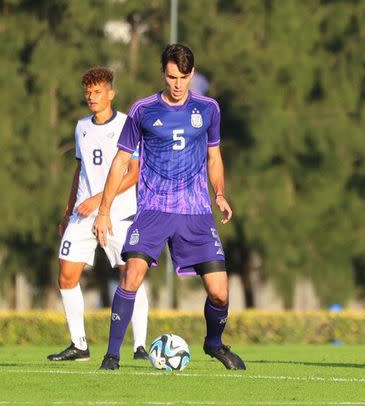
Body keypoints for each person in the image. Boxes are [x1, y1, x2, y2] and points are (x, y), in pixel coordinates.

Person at [92, 44, 245, 371]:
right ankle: (111, 356)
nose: (177, 85)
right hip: (154, 210)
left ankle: (214, 343)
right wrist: (104, 210)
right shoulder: (142, 110)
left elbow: (214, 156)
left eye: (184, 77)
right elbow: (121, 161)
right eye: (172, 77)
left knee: (220, 293)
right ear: (163, 73)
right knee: (132, 274)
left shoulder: (208, 109)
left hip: (196, 211)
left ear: (192, 74)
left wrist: (219, 193)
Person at [48, 67, 149, 362]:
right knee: (66, 275)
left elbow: (133, 173)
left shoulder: (127, 125)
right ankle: (79, 345)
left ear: (111, 94)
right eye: (88, 92)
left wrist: (99, 200)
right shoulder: (81, 127)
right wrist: (69, 210)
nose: (92, 97)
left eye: (98, 92)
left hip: (118, 213)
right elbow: (80, 170)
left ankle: (139, 346)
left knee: (130, 275)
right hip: (83, 212)